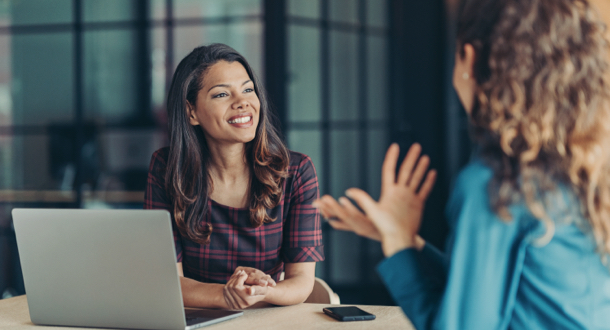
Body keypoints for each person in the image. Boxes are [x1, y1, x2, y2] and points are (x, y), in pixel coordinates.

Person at [314, 0, 610, 328]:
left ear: (468, 58)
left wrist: (398, 245)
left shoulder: (498, 181)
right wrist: (405, 241)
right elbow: (496, 290)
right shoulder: (585, 164)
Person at [145, 43, 324, 309]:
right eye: (221, 95)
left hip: (267, 318)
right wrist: (225, 295)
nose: (243, 103)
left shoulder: (296, 171)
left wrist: (261, 291)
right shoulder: (166, 169)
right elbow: (167, 280)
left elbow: (301, 281)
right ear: (191, 111)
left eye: (248, 89)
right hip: (198, 319)